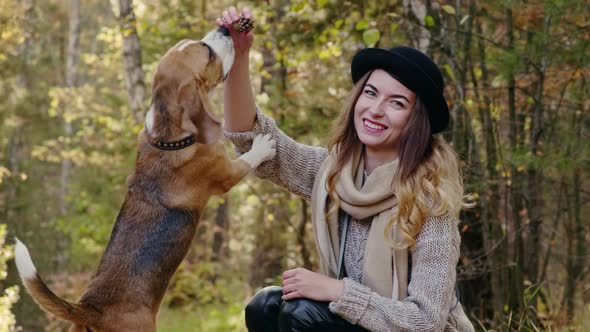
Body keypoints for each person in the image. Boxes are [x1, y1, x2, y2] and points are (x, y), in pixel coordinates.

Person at [216, 6, 475, 332]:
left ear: (415, 121)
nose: (376, 110)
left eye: (397, 103)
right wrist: (238, 56)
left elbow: (426, 321)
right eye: (370, 93)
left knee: (301, 313)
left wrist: (339, 291)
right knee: (266, 305)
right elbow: (252, 138)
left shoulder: (429, 203)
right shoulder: (334, 174)